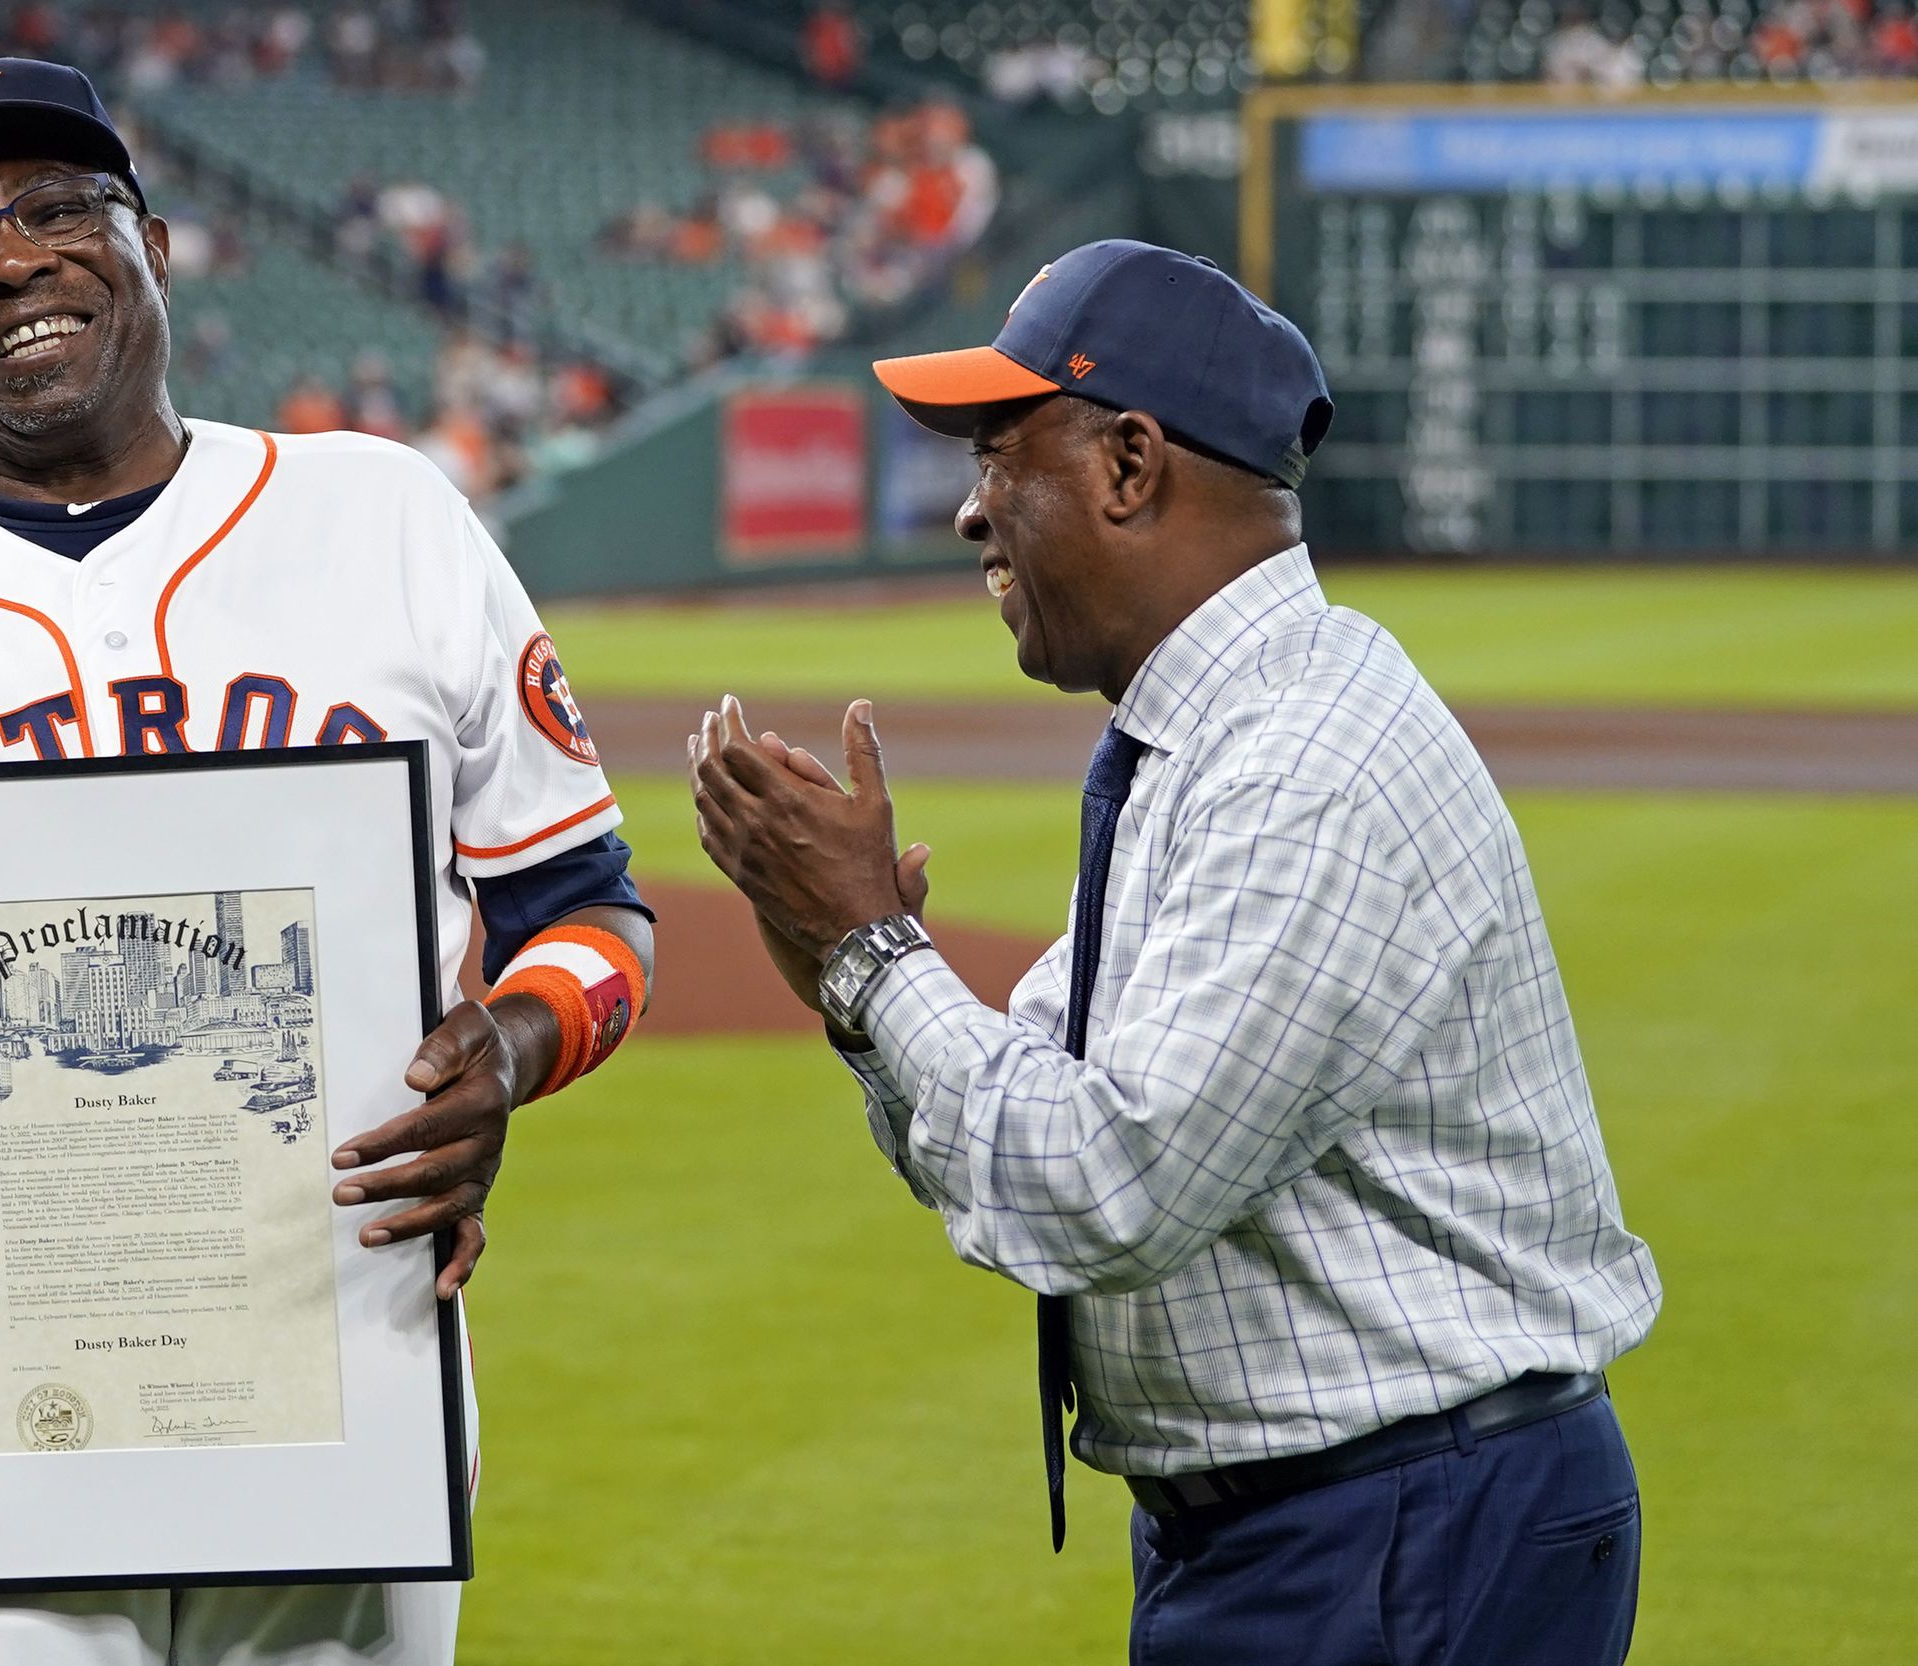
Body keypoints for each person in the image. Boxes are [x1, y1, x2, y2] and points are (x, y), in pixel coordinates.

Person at [0, 58, 654, 1666]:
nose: (13, 258)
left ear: (158, 244)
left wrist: (509, 1050)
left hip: (340, 1390)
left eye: (60, 208)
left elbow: (591, 916)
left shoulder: (386, 517)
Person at [688, 240, 1661, 1665]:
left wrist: (874, 948)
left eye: (999, 451)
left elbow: (1107, 1187)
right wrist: (852, 985)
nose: (969, 512)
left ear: (1130, 463)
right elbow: (1019, 1129)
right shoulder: (1208, 735)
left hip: (1410, 1522)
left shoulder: (1301, 758)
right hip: (1334, 1518)